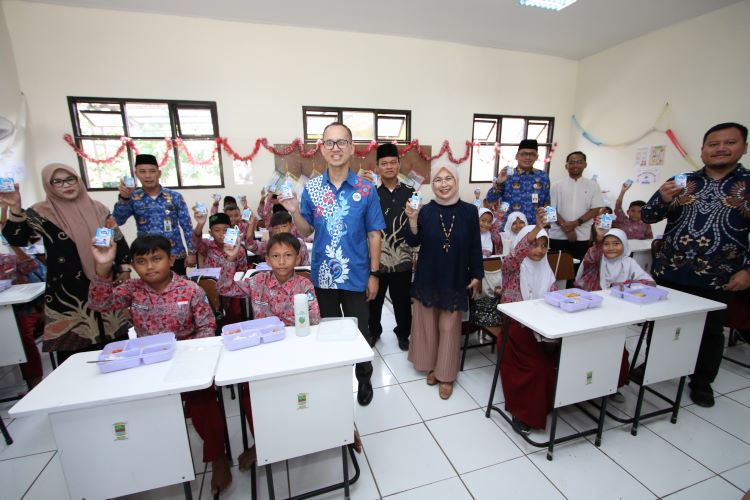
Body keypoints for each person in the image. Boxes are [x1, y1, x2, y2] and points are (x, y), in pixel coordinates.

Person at [88, 234, 233, 495]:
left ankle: (218, 457)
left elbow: (207, 329)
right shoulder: (132, 289)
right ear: (133, 265)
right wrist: (102, 269)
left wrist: (189, 358)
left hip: (188, 360)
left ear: (171, 259)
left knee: (204, 403)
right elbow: (100, 304)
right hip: (147, 362)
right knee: (134, 408)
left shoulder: (190, 290)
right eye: (141, 261)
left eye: (156, 259)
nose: (150, 267)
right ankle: (146, 460)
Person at [641, 122, 750, 408]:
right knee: (661, 324)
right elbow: (648, 216)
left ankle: (702, 382)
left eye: (730, 143)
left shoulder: (748, 184)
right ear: (702, 150)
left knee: (712, 331)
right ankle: (654, 366)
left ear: (744, 148)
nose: (721, 149)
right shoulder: (683, 180)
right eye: (713, 144)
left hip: (719, 276)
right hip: (672, 270)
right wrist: (663, 199)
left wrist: (747, 270)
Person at [281, 122, 385, 406]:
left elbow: (374, 234)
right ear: (322, 149)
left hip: (357, 274)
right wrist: (292, 212)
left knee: (360, 331)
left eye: (342, 143)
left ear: (352, 148)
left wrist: (374, 274)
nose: (336, 148)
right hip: (323, 275)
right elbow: (305, 231)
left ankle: (364, 378)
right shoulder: (312, 189)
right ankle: (337, 379)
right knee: (328, 330)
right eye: (330, 143)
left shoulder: (366, 189)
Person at [0, 163, 131, 364]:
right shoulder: (41, 212)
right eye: (57, 181)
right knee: (77, 358)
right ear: (49, 185)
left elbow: (118, 239)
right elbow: (18, 239)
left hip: (105, 281)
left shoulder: (98, 208)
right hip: (67, 291)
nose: (66, 185)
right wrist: (16, 208)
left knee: (116, 351)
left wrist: (123, 268)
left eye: (70, 179)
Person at [404, 162, 483, 400]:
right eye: (438, 180)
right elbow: (413, 241)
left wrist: (477, 274)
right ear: (433, 184)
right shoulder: (425, 210)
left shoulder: (469, 211)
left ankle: (446, 375)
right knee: (427, 325)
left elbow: (475, 246)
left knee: (449, 328)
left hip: (456, 276)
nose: (443, 184)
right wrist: (413, 219)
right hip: (428, 276)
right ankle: (431, 366)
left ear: (456, 181)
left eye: (448, 178)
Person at [574, 227, 653, 401]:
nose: (610, 248)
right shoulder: (597, 259)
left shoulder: (629, 263)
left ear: (624, 245)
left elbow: (648, 282)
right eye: (607, 244)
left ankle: (612, 385)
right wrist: (599, 240)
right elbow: (591, 257)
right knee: (589, 349)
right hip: (592, 312)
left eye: (616, 244)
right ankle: (583, 385)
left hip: (615, 315)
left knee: (615, 350)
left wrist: (628, 285)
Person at [498, 208, 557, 433]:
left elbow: (551, 300)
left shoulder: (546, 270)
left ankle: (547, 404)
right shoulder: (513, 266)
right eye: (534, 244)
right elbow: (515, 255)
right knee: (536, 368)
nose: (539, 250)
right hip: (516, 326)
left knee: (557, 361)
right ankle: (524, 412)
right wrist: (538, 229)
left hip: (542, 326)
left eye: (544, 245)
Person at [113, 154, 196, 275]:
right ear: (136, 174)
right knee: (151, 292)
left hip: (174, 254)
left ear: (159, 173)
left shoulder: (174, 196)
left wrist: (192, 252)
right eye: (142, 171)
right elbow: (118, 220)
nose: (147, 176)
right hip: (147, 256)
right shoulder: (133, 197)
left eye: (152, 171)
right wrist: (124, 198)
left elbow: (187, 226)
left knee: (179, 289)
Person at [367, 143, 415, 351]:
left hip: (402, 258)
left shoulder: (411, 192)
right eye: (384, 163)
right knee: (373, 300)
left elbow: (416, 224)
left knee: (402, 301)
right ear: (377, 167)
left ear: (399, 164)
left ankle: (403, 333)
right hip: (377, 259)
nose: (388, 167)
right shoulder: (370, 193)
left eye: (392, 163)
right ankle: (373, 331)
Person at [0, 241, 46, 388]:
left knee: (22, 335)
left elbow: (31, 266)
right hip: (8, 306)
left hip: (27, 306)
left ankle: (35, 380)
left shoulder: (7, 254)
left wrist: (14, 246)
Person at [191, 212, 249, 323]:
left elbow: (243, 270)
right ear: (211, 233)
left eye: (226, 230)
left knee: (234, 315)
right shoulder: (207, 246)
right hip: (210, 289)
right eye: (217, 230)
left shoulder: (238, 249)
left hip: (230, 289)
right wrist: (200, 224)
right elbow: (195, 241)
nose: (221, 234)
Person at [548, 151, 605, 264]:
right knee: (556, 268)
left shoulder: (593, 185)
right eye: (572, 162)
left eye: (579, 162)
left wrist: (575, 224)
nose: (575, 165)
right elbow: (551, 210)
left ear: (585, 164)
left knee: (576, 269)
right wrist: (567, 229)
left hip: (581, 235)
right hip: (558, 235)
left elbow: (595, 209)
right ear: (566, 166)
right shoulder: (556, 185)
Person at [485, 139, 550, 224]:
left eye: (532, 154)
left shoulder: (543, 176)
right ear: (516, 156)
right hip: (509, 228)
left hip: (534, 228)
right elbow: (490, 200)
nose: (527, 157)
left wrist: (547, 226)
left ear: (536, 157)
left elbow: (547, 203)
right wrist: (498, 183)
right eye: (523, 154)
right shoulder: (507, 175)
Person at [246, 211, 310, 266]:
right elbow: (251, 246)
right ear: (272, 229)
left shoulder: (300, 244)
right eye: (276, 228)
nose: (280, 231)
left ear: (291, 225)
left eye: (284, 226)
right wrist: (251, 226)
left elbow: (305, 267)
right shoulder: (269, 244)